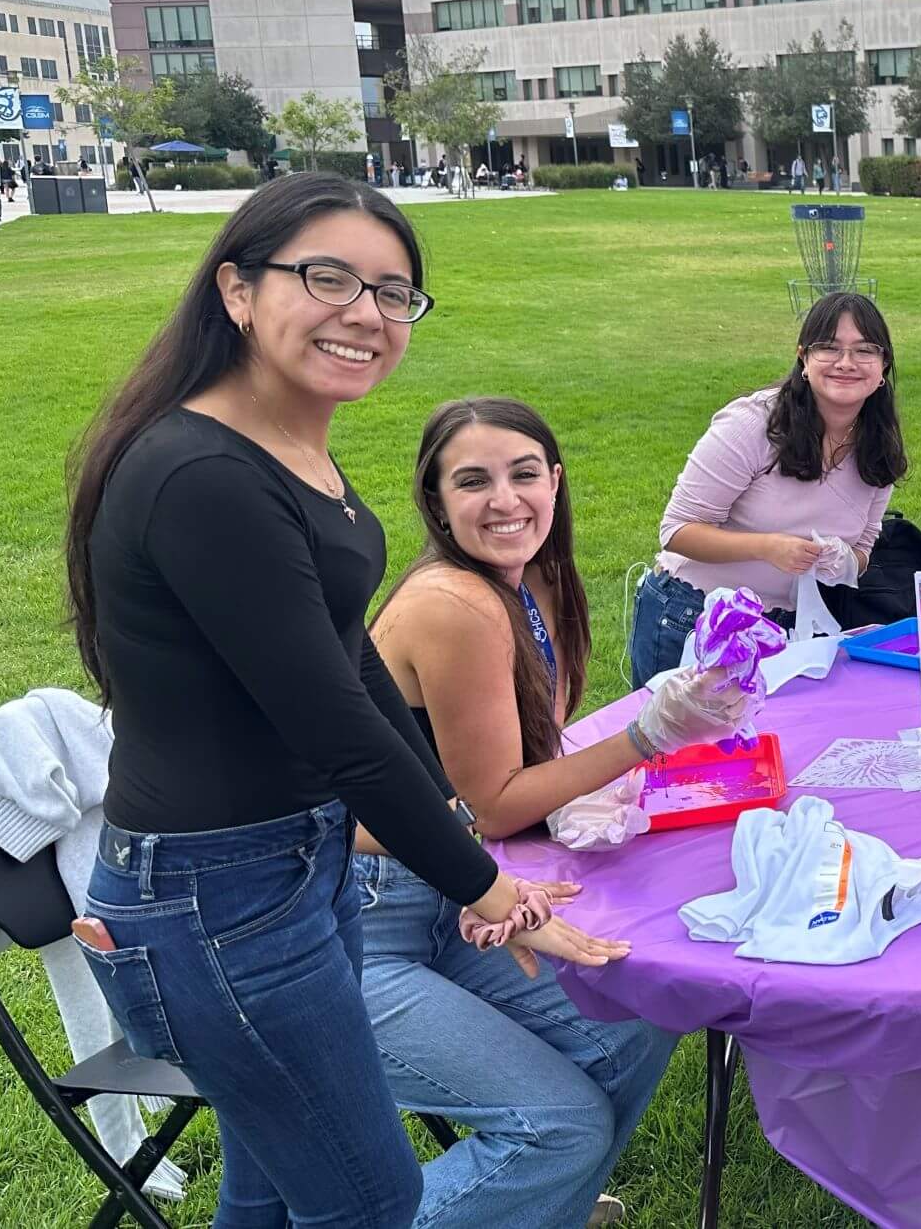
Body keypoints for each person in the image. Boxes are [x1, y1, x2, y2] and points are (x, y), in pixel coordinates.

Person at [62, 173, 735, 1224]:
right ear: (237, 290)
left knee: (275, 1191)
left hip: (293, 867)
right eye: (328, 278)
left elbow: (354, 668)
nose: (365, 315)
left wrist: (457, 845)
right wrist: (484, 885)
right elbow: (335, 726)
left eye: (393, 293)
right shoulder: (203, 475)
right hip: (213, 896)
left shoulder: (290, 450)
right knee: (366, 1198)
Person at [364, 397, 700, 1228]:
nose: (505, 500)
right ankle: (537, 1185)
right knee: (559, 1130)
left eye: (524, 475)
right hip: (350, 922)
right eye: (472, 482)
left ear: (556, 481)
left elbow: (518, 771)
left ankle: (533, 1207)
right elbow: (497, 801)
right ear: (435, 502)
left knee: (632, 1021)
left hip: (451, 892)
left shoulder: (534, 580)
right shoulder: (456, 603)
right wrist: (648, 735)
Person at [631, 291, 907, 680]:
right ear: (803, 359)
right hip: (693, 615)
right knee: (680, 741)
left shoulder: (878, 445)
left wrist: (844, 560)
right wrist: (768, 547)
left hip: (784, 631)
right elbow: (676, 531)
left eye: (864, 351)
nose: (846, 363)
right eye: (829, 348)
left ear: (883, 366)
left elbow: (863, 546)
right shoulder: (753, 425)